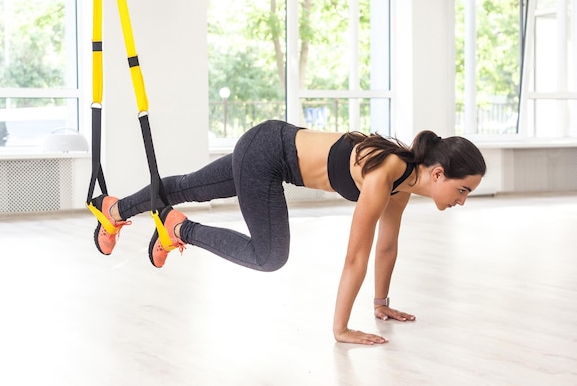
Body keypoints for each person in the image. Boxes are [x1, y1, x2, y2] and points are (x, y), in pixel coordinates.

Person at [90, 119, 486, 345]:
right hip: (267, 154)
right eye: (462, 189)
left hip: (269, 145)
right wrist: (341, 328)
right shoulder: (385, 175)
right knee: (270, 255)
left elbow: (386, 249)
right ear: (438, 174)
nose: (462, 200)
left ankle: (116, 209)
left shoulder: (402, 184)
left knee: (188, 187)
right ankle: (180, 229)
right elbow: (355, 257)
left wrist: (380, 302)